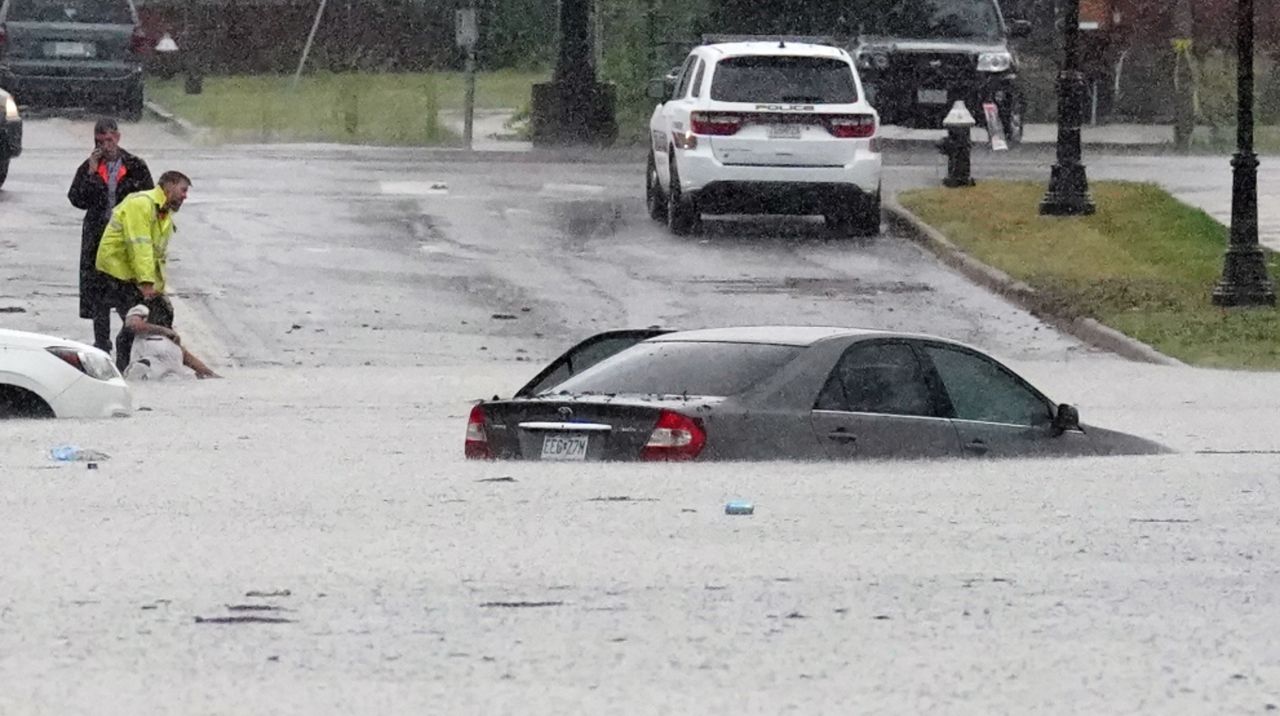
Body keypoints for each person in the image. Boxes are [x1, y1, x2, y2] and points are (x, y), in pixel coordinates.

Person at [67, 117, 153, 356]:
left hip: (125, 238)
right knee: (99, 296)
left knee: (127, 293)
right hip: (97, 236)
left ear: (118, 137)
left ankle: (129, 341)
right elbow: (77, 199)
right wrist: (93, 174)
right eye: (101, 140)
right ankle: (102, 343)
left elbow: (148, 198)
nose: (107, 144)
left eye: (110, 138)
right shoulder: (89, 167)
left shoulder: (135, 165)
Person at [95, 170, 191, 371]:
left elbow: (157, 256)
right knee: (134, 324)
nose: (185, 196)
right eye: (182, 190)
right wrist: (147, 284)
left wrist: (158, 287)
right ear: (169, 186)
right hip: (116, 272)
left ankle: (131, 365)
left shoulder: (163, 212)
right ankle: (124, 370)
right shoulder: (142, 204)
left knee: (145, 320)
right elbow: (140, 246)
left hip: (131, 274)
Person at [122, 294, 220, 380]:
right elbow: (134, 325)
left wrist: (210, 374)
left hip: (171, 377)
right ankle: (142, 370)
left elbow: (188, 358)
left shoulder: (174, 342)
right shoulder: (142, 308)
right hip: (146, 365)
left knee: (176, 378)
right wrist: (165, 331)